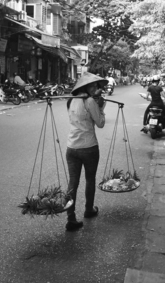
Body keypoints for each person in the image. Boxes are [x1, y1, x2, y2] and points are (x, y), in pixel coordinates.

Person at [65, 72, 108, 231]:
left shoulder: (71, 100)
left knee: (72, 182)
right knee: (90, 179)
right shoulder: (89, 101)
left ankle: (70, 218)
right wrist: (101, 107)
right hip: (89, 147)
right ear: (88, 87)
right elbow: (101, 123)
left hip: (71, 147)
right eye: (95, 87)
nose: (97, 89)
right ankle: (88, 210)